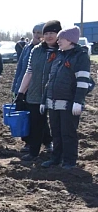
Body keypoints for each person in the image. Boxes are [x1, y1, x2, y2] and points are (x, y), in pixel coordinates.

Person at [42, 26, 92, 169]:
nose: (58, 41)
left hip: (69, 104)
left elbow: (83, 81)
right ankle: (56, 158)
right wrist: (44, 99)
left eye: (61, 38)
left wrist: (78, 101)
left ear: (70, 40)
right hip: (53, 103)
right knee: (56, 133)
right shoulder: (59, 55)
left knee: (68, 133)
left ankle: (69, 161)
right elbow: (50, 79)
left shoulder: (80, 56)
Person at [16, 21, 58, 161]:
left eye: (52, 33)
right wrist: (21, 92)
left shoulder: (62, 50)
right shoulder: (36, 50)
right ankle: (34, 152)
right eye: (46, 33)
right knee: (36, 123)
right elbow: (29, 72)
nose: (49, 36)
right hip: (35, 93)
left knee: (56, 124)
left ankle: (56, 152)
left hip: (56, 94)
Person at [12, 23, 45, 154]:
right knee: (25, 115)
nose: (37, 35)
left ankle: (47, 141)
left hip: (37, 89)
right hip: (23, 87)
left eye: (40, 33)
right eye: (35, 32)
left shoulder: (44, 50)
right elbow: (21, 68)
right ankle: (28, 142)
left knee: (38, 117)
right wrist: (16, 87)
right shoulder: (27, 48)